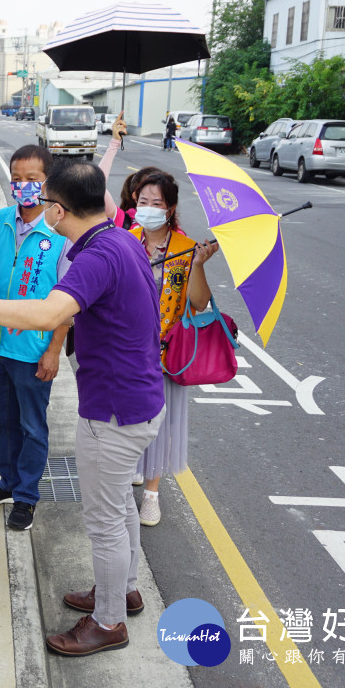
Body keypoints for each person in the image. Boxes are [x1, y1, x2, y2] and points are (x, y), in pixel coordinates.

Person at [0, 159, 166, 657]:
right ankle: (124, 590)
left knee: (103, 520)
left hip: (115, 410)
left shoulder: (98, 255)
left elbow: (50, 312)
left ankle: (108, 621)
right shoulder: (120, 240)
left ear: (57, 210)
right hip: (136, 398)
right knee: (119, 507)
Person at [0, 144, 70, 532]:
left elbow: (68, 299)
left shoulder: (60, 232)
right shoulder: (1, 219)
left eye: (33, 179)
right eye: (18, 179)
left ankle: (27, 496)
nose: (24, 186)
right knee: (2, 420)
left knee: (32, 426)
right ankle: (8, 482)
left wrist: (54, 351)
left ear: (48, 183)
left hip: (33, 349)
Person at [124, 170, 218, 525]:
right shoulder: (124, 240)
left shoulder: (185, 249)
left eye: (156, 203)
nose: (147, 209)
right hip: (127, 350)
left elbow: (198, 304)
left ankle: (151, 494)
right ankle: (131, 468)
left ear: (171, 208)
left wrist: (197, 267)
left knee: (160, 425)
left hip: (165, 356)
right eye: (142, 202)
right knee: (128, 418)